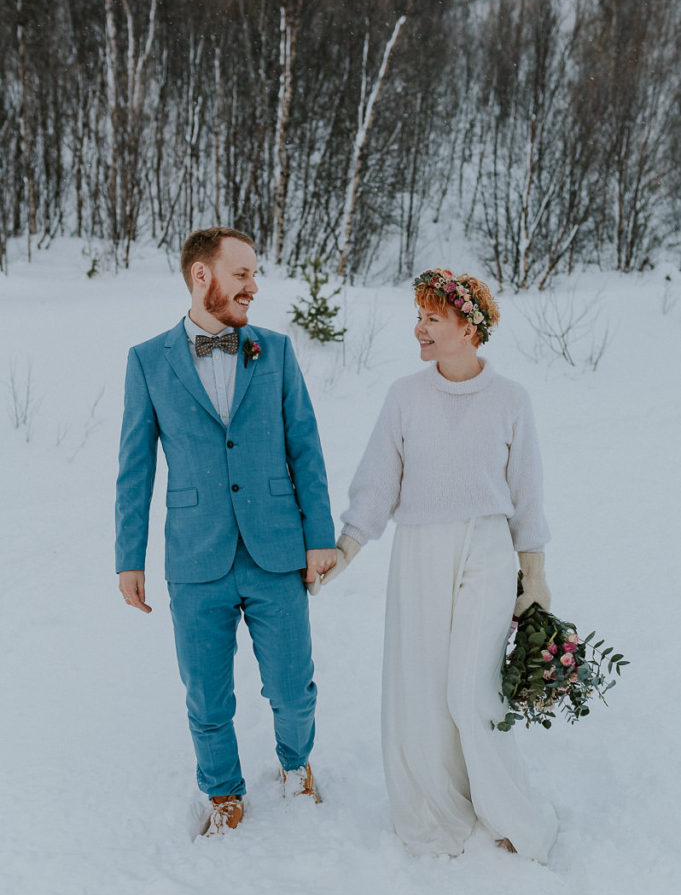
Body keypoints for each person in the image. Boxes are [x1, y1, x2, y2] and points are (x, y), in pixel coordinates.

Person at [320, 268, 557, 862]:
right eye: (418, 316)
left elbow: (527, 493)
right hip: (420, 549)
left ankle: (509, 812)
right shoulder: (404, 396)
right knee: (422, 688)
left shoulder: (511, 400)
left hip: (488, 548)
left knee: (471, 688)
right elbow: (377, 485)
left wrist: (536, 574)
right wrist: (345, 549)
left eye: (432, 318)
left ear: (468, 328)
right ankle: (437, 811)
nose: (419, 328)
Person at [115, 227, 336, 836]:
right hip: (195, 555)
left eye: (254, 274)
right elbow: (135, 467)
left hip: (276, 549)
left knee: (293, 688)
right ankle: (223, 792)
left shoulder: (277, 351)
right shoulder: (146, 360)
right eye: (241, 274)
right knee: (207, 697)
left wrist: (321, 538)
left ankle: (296, 764)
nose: (253, 287)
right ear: (201, 276)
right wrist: (126, 557)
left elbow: (305, 450)